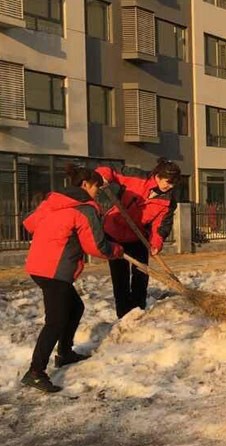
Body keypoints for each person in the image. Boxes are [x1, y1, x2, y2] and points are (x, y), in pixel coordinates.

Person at [21, 166, 124, 393]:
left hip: (38, 265)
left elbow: (29, 224)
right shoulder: (85, 209)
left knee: (75, 307)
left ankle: (65, 353)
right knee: (55, 321)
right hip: (55, 270)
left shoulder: (53, 202)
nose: (97, 192)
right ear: (87, 184)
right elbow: (96, 246)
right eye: (97, 187)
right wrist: (115, 250)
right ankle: (35, 372)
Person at [97, 159, 180, 318]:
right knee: (120, 278)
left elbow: (161, 225)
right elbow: (112, 170)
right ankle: (123, 315)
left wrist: (156, 243)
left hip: (138, 237)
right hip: (114, 233)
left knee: (141, 275)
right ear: (157, 175)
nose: (170, 186)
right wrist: (103, 176)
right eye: (168, 182)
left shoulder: (168, 200)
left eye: (173, 184)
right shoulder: (136, 177)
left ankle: (138, 312)